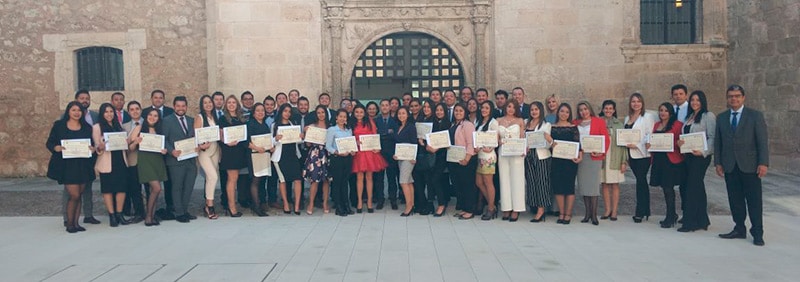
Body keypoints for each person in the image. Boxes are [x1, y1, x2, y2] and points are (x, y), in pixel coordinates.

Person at [714, 85, 769, 246]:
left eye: (737, 96)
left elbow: (762, 142)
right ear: (727, 98)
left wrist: (763, 163)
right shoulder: (722, 117)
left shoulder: (755, 116)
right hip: (730, 165)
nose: (734, 99)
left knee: (754, 200)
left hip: (750, 165)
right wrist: (718, 162)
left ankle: (757, 232)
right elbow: (719, 142)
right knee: (735, 199)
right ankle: (739, 228)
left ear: (743, 97)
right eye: (731, 96)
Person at [47, 101, 97, 233]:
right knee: (74, 195)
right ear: (68, 111)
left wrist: (92, 149)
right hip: (67, 165)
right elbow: (50, 142)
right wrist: (55, 147)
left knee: (79, 194)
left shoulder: (87, 127)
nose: (76, 113)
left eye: (79, 110)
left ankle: (76, 223)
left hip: (82, 164)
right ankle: (69, 223)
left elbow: (91, 144)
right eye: (74, 110)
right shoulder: (59, 126)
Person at [677, 90, 715, 232]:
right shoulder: (689, 117)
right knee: (696, 187)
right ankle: (702, 220)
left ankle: (690, 222)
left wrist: (704, 152)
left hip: (700, 157)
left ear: (703, 101)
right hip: (689, 155)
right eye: (693, 100)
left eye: (697, 100)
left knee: (692, 187)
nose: (694, 102)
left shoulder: (708, 116)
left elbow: (712, 137)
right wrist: (680, 143)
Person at [62, 90, 100, 225]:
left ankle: (88, 215)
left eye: (87, 98)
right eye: (82, 98)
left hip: (87, 158)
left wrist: (94, 148)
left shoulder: (95, 116)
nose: (85, 100)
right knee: (70, 192)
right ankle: (68, 218)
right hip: (70, 160)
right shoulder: (63, 119)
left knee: (87, 187)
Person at [129, 108, 169, 226]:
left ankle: (152, 216)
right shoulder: (139, 128)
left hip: (157, 160)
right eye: (150, 115)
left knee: (153, 190)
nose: (153, 117)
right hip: (145, 161)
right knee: (157, 188)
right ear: (146, 116)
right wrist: (136, 142)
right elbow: (130, 148)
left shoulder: (159, 129)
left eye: (156, 116)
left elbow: (162, 146)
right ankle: (148, 216)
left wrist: (164, 150)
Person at [648, 102, 684, 229]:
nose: (663, 113)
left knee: (669, 188)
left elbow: (681, 140)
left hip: (671, 160)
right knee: (664, 188)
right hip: (659, 160)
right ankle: (671, 213)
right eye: (661, 110)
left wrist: (677, 144)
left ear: (670, 112)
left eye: (666, 110)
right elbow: (652, 140)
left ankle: (670, 216)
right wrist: (649, 145)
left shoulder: (678, 125)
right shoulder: (657, 125)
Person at [92, 103, 130, 227]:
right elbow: (96, 146)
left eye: (111, 112)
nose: (109, 114)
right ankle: (112, 215)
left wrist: (127, 142)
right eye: (106, 112)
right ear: (102, 114)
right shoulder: (97, 127)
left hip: (120, 160)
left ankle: (120, 214)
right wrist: (100, 146)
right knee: (108, 189)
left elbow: (125, 144)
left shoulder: (118, 126)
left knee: (121, 188)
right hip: (107, 161)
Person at [162, 96, 199, 223]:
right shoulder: (167, 121)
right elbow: (164, 139)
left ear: (186, 107)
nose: (181, 108)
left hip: (190, 159)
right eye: (178, 106)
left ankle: (184, 210)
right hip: (175, 160)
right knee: (177, 187)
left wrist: (198, 146)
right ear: (174, 106)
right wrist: (172, 151)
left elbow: (195, 137)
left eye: (183, 106)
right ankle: (178, 213)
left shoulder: (191, 120)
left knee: (188, 186)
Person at [574, 101, 610, 226]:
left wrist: (601, 152)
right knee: (584, 186)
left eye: (585, 109)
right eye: (581, 110)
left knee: (593, 187)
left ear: (590, 109)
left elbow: (606, 139)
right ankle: (587, 213)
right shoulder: (575, 123)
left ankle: (594, 215)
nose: (583, 112)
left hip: (594, 157)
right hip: (581, 157)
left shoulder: (599, 121)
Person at [624, 93, 656, 223]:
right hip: (631, 154)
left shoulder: (647, 117)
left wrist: (636, 145)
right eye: (633, 101)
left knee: (641, 181)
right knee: (640, 181)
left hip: (642, 154)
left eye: (638, 101)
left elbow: (649, 135)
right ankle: (645, 210)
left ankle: (640, 211)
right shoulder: (627, 118)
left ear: (642, 103)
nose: (635, 104)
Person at [351, 104, 388, 213]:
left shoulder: (370, 122)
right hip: (358, 153)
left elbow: (374, 136)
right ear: (354, 113)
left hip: (369, 153)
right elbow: (348, 137)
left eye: (361, 112)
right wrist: (355, 142)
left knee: (369, 178)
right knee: (359, 178)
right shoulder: (351, 124)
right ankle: (359, 202)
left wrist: (377, 147)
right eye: (356, 112)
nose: (359, 114)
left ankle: (370, 202)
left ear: (365, 113)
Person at [550, 103, 582, 224]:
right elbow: (549, 144)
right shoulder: (552, 127)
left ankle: (568, 214)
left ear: (570, 114)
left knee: (569, 187)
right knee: (558, 187)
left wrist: (579, 155)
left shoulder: (573, 127)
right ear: (558, 112)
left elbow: (578, 144)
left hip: (570, 161)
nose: (564, 114)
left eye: (567, 112)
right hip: (556, 161)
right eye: (562, 111)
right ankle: (561, 213)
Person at [496, 100, 527, 222]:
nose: (511, 109)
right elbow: (496, 138)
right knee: (504, 179)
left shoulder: (520, 121)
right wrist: (500, 142)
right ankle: (506, 207)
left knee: (517, 179)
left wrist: (523, 148)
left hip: (516, 153)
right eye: (509, 106)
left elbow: (522, 137)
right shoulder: (498, 120)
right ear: (505, 107)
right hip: (503, 152)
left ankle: (516, 208)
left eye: (513, 107)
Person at [272, 103, 304, 215]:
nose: (287, 113)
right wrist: (275, 138)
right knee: (283, 180)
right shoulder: (274, 125)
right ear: (281, 112)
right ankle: (285, 203)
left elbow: (298, 141)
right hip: (280, 156)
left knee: (298, 179)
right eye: (285, 111)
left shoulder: (292, 124)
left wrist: (301, 137)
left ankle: (296, 206)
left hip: (293, 155)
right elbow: (271, 142)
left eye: (289, 112)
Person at [524, 102, 554, 222]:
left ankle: (541, 210)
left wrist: (549, 139)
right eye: (532, 109)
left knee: (541, 182)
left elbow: (548, 144)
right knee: (531, 182)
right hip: (528, 156)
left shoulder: (546, 125)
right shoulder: (526, 122)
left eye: (536, 109)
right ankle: (534, 206)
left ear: (541, 110)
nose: (534, 112)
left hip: (541, 155)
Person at [218, 95, 248, 217]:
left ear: (237, 104)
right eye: (229, 102)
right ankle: (232, 207)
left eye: (233, 102)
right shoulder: (223, 118)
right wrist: (226, 142)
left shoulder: (241, 118)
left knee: (235, 178)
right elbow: (220, 135)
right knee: (232, 179)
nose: (231, 104)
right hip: (229, 151)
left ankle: (232, 205)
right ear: (226, 105)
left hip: (239, 151)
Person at [599, 100, 628, 222]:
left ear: (614, 110)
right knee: (605, 184)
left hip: (615, 156)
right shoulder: (598, 122)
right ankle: (607, 209)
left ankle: (614, 211)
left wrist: (623, 161)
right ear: (603, 109)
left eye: (611, 108)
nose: (608, 111)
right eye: (606, 108)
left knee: (615, 184)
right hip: (603, 157)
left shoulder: (619, 124)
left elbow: (623, 145)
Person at [194, 95, 221, 219]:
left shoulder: (215, 116)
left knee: (212, 178)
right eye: (205, 103)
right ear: (202, 105)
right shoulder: (200, 118)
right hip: (205, 151)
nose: (208, 104)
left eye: (210, 102)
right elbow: (196, 135)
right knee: (212, 177)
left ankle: (208, 203)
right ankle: (209, 206)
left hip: (215, 149)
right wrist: (202, 145)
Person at [449, 104, 478, 219]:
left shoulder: (468, 125)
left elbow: (470, 143)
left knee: (468, 185)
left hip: (467, 160)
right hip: (455, 159)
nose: (458, 113)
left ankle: (470, 210)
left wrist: (467, 158)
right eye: (456, 111)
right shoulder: (454, 125)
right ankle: (465, 208)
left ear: (465, 112)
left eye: (460, 111)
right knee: (459, 185)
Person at [326, 109, 356, 216]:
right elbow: (328, 146)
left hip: (347, 159)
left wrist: (353, 151)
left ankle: (346, 205)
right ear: (336, 118)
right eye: (340, 116)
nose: (342, 119)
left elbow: (351, 144)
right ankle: (338, 206)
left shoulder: (348, 130)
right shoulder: (332, 130)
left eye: (345, 117)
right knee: (337, 183)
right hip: (337, 158)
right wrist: (337, 152)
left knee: (345, 182)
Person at [303, 105, 331, 214]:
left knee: (326, 180)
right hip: (315, 154)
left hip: (326, 154)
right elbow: (308, 143)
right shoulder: (312, 126)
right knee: (314, 180)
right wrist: (307, 133)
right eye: (318, 112)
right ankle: (311, 203)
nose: (321, 114)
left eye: (323, 112)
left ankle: (325, 203)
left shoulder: (330, 127)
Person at [121, 101, 146, 223]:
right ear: (129, 112)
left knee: (150, 187)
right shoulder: (124, 126)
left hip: (147, 160)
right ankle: (139, 212)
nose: (135, 111)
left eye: (137, 108)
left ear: (141, 110)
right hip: (132, 160)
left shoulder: (149, 122)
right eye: (132, 109)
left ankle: (151, 211)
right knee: (135, 188)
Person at [474, 100, 499, 220]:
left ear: (491, 110)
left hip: (488, 156)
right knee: (479, 182)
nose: (484, 110)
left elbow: (496, 138)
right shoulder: (479, 121)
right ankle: (492, 205)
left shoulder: (493, 122)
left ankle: (490, 208)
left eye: (486, 108)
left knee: (488, 182)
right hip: (479, 155)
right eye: (482, 108)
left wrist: (491, 147)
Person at [246, 102, 271, 217]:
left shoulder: (265, 125)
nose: (261, 113)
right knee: (255, 180)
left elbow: (267, 140)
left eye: (262, 110)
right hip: (254, 155)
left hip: (263, 155)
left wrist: (271, 147)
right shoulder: (250, 124)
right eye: (258, 111)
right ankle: (256, 206)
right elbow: (246, 142)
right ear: (253, 113)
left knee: (262, 180)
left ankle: (260, 203)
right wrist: (257, 148)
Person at [427, 103, 452, 216]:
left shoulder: (449, 124)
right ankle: (442, 202)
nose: (439, 112)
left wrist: (437, 148)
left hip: (444, 156)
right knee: (437, 180)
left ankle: (442, 204)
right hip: (433, 156)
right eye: (437, 110)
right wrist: (426, 145)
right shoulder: (433, 123)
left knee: (435, 179)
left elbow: (449, 141)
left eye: (441, 110)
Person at [392, 106, 417, 216]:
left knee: (403, 182)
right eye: (399, 114)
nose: (401, 115)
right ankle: (412, 204)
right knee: (409, 181)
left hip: (409, 158)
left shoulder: (411, 127)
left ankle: (408, 207)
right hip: (400, 158)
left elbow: (414, 142)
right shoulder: (398, 126)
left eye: (403, 113)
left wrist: (414, 157)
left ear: (408, 114)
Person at [374, 99, 399, 210]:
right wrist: (387, 134)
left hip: (391, 153)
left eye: (386, 105)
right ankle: (380, 199)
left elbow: (396, 136)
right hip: (379, 153)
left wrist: (384, 135)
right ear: (380, 107)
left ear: (390, 107)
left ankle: (393, 199)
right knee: (379, 178)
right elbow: (375, 136)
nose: (384, 107)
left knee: (391, 177)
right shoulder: (376, 120)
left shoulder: (395, 121)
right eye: (382, 105)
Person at [412, 99, 436, 215]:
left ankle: (430, 204)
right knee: (418, 181)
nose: (426, 109)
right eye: (424, 107)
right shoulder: (420, 120)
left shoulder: (435, 121)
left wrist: (425, 143)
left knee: (429, 182)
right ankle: (421, 203)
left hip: (429, 154)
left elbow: (436, 139)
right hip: (418, 154)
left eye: (428, 107)